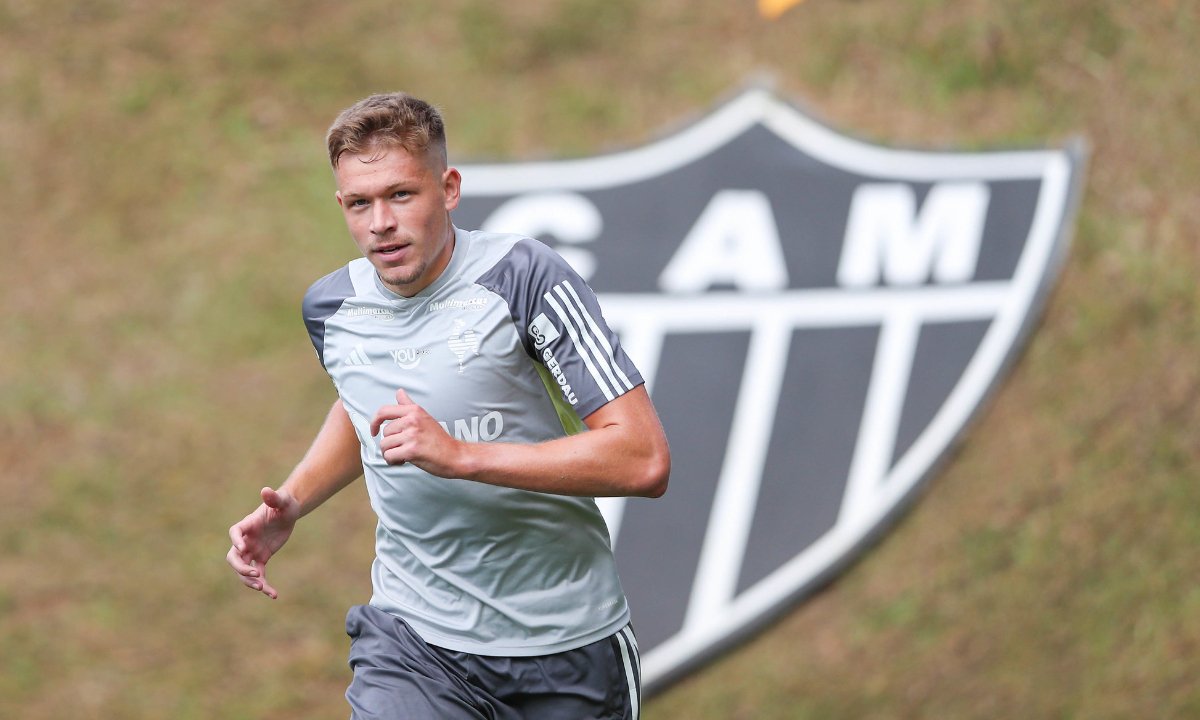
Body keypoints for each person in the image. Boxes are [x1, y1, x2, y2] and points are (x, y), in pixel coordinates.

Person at [226, 92, 671, 720]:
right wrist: (295, 500)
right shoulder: (331, 310)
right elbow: (362, 408)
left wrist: (462, 457)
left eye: (401, 195)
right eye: (360, 203)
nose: (380, 223)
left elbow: (643, 458)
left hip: (566, 648)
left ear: (449, 188)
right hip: (415, 644)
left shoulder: (526, 278)